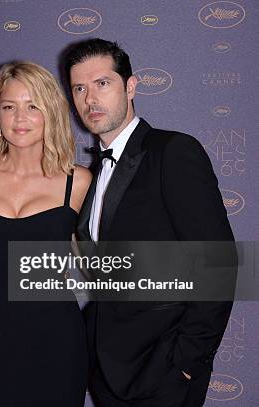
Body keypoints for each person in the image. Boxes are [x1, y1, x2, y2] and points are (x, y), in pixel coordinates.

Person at [64, 38, 234, 406]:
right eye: (80, 88)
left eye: (103, 84)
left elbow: (219, 262)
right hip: (107, 370)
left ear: (130, 86)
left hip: (163, 371)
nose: (90, 99)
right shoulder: (95, 173)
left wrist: (186, 363)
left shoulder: (172, 152)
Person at [0, 61, 92, 406]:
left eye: (33, 106)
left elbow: (99, 266)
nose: (20, 118)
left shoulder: (77, 182)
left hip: (56, 339)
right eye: (9, 107)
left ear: (51, 112)